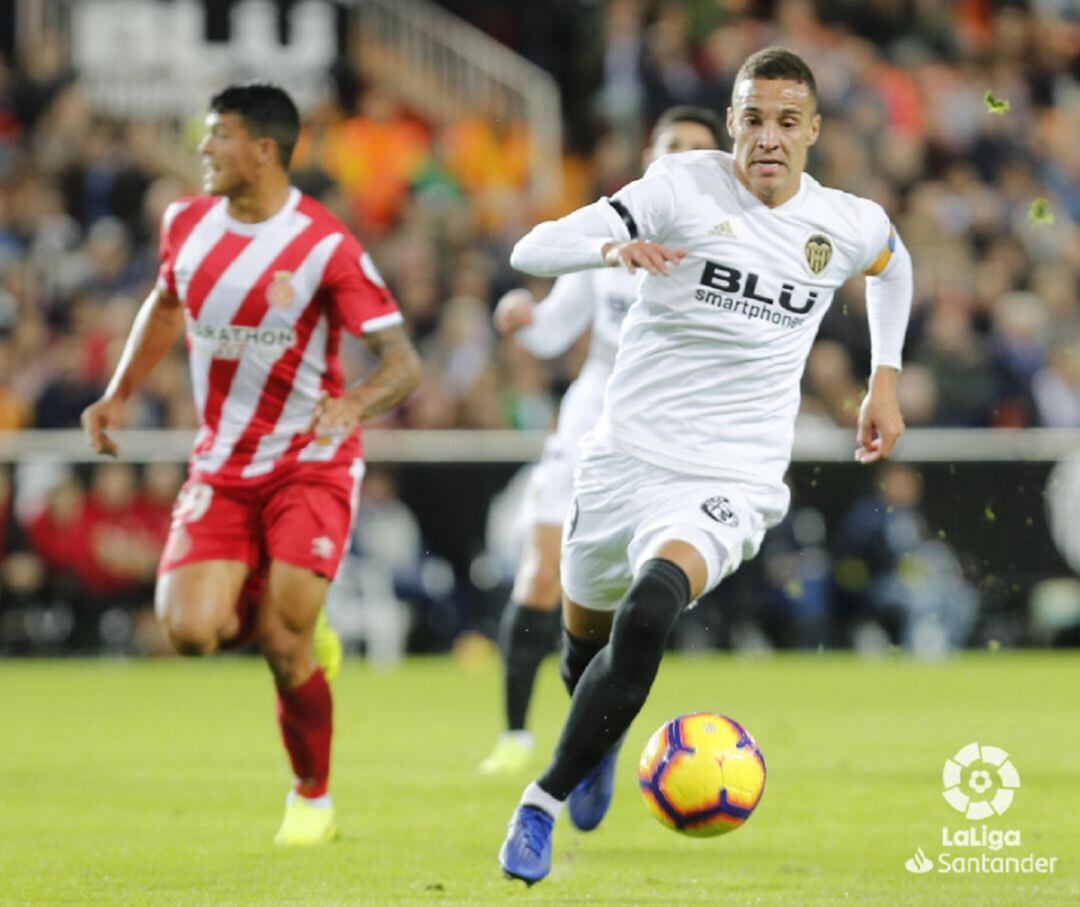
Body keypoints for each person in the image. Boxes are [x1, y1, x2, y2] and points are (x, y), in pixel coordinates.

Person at [497, 47, 912, 884]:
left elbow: (894, 263)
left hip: (732, 475)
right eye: (754, 118)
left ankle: (538, 802)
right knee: (585, 651)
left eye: (788, 121)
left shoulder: (843, 220)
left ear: (814, 131)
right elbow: (532, 251)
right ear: (731, 122)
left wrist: (884, 381)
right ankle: (599, 736)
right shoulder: (680, 186)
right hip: (623, 461)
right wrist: (608, 251)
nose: (769, 137)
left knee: (650, 609)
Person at [80, 83, 421, 846]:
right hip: (223, 466)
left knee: (284, 642)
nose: (203, 149)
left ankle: (312, 796)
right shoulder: (184, 223)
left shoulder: (325, 245)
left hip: (310, 462)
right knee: (191, 631)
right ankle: (284, 601)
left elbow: (403, 362)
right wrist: (117, 393)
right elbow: (166, 306)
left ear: (263, 150)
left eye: (218, 135)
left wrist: (352, 405)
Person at [479, 107, 725, 776]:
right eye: (673, 146)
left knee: (631, 601)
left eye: (700, 150)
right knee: (540, 575)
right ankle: (515, 736)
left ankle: (598, 739)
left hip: (669, 435)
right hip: (592, 417)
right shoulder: (611, 233)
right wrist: (521, 320)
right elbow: (556, 331)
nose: (683, 159)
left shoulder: (731, 247)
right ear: (651, 153)